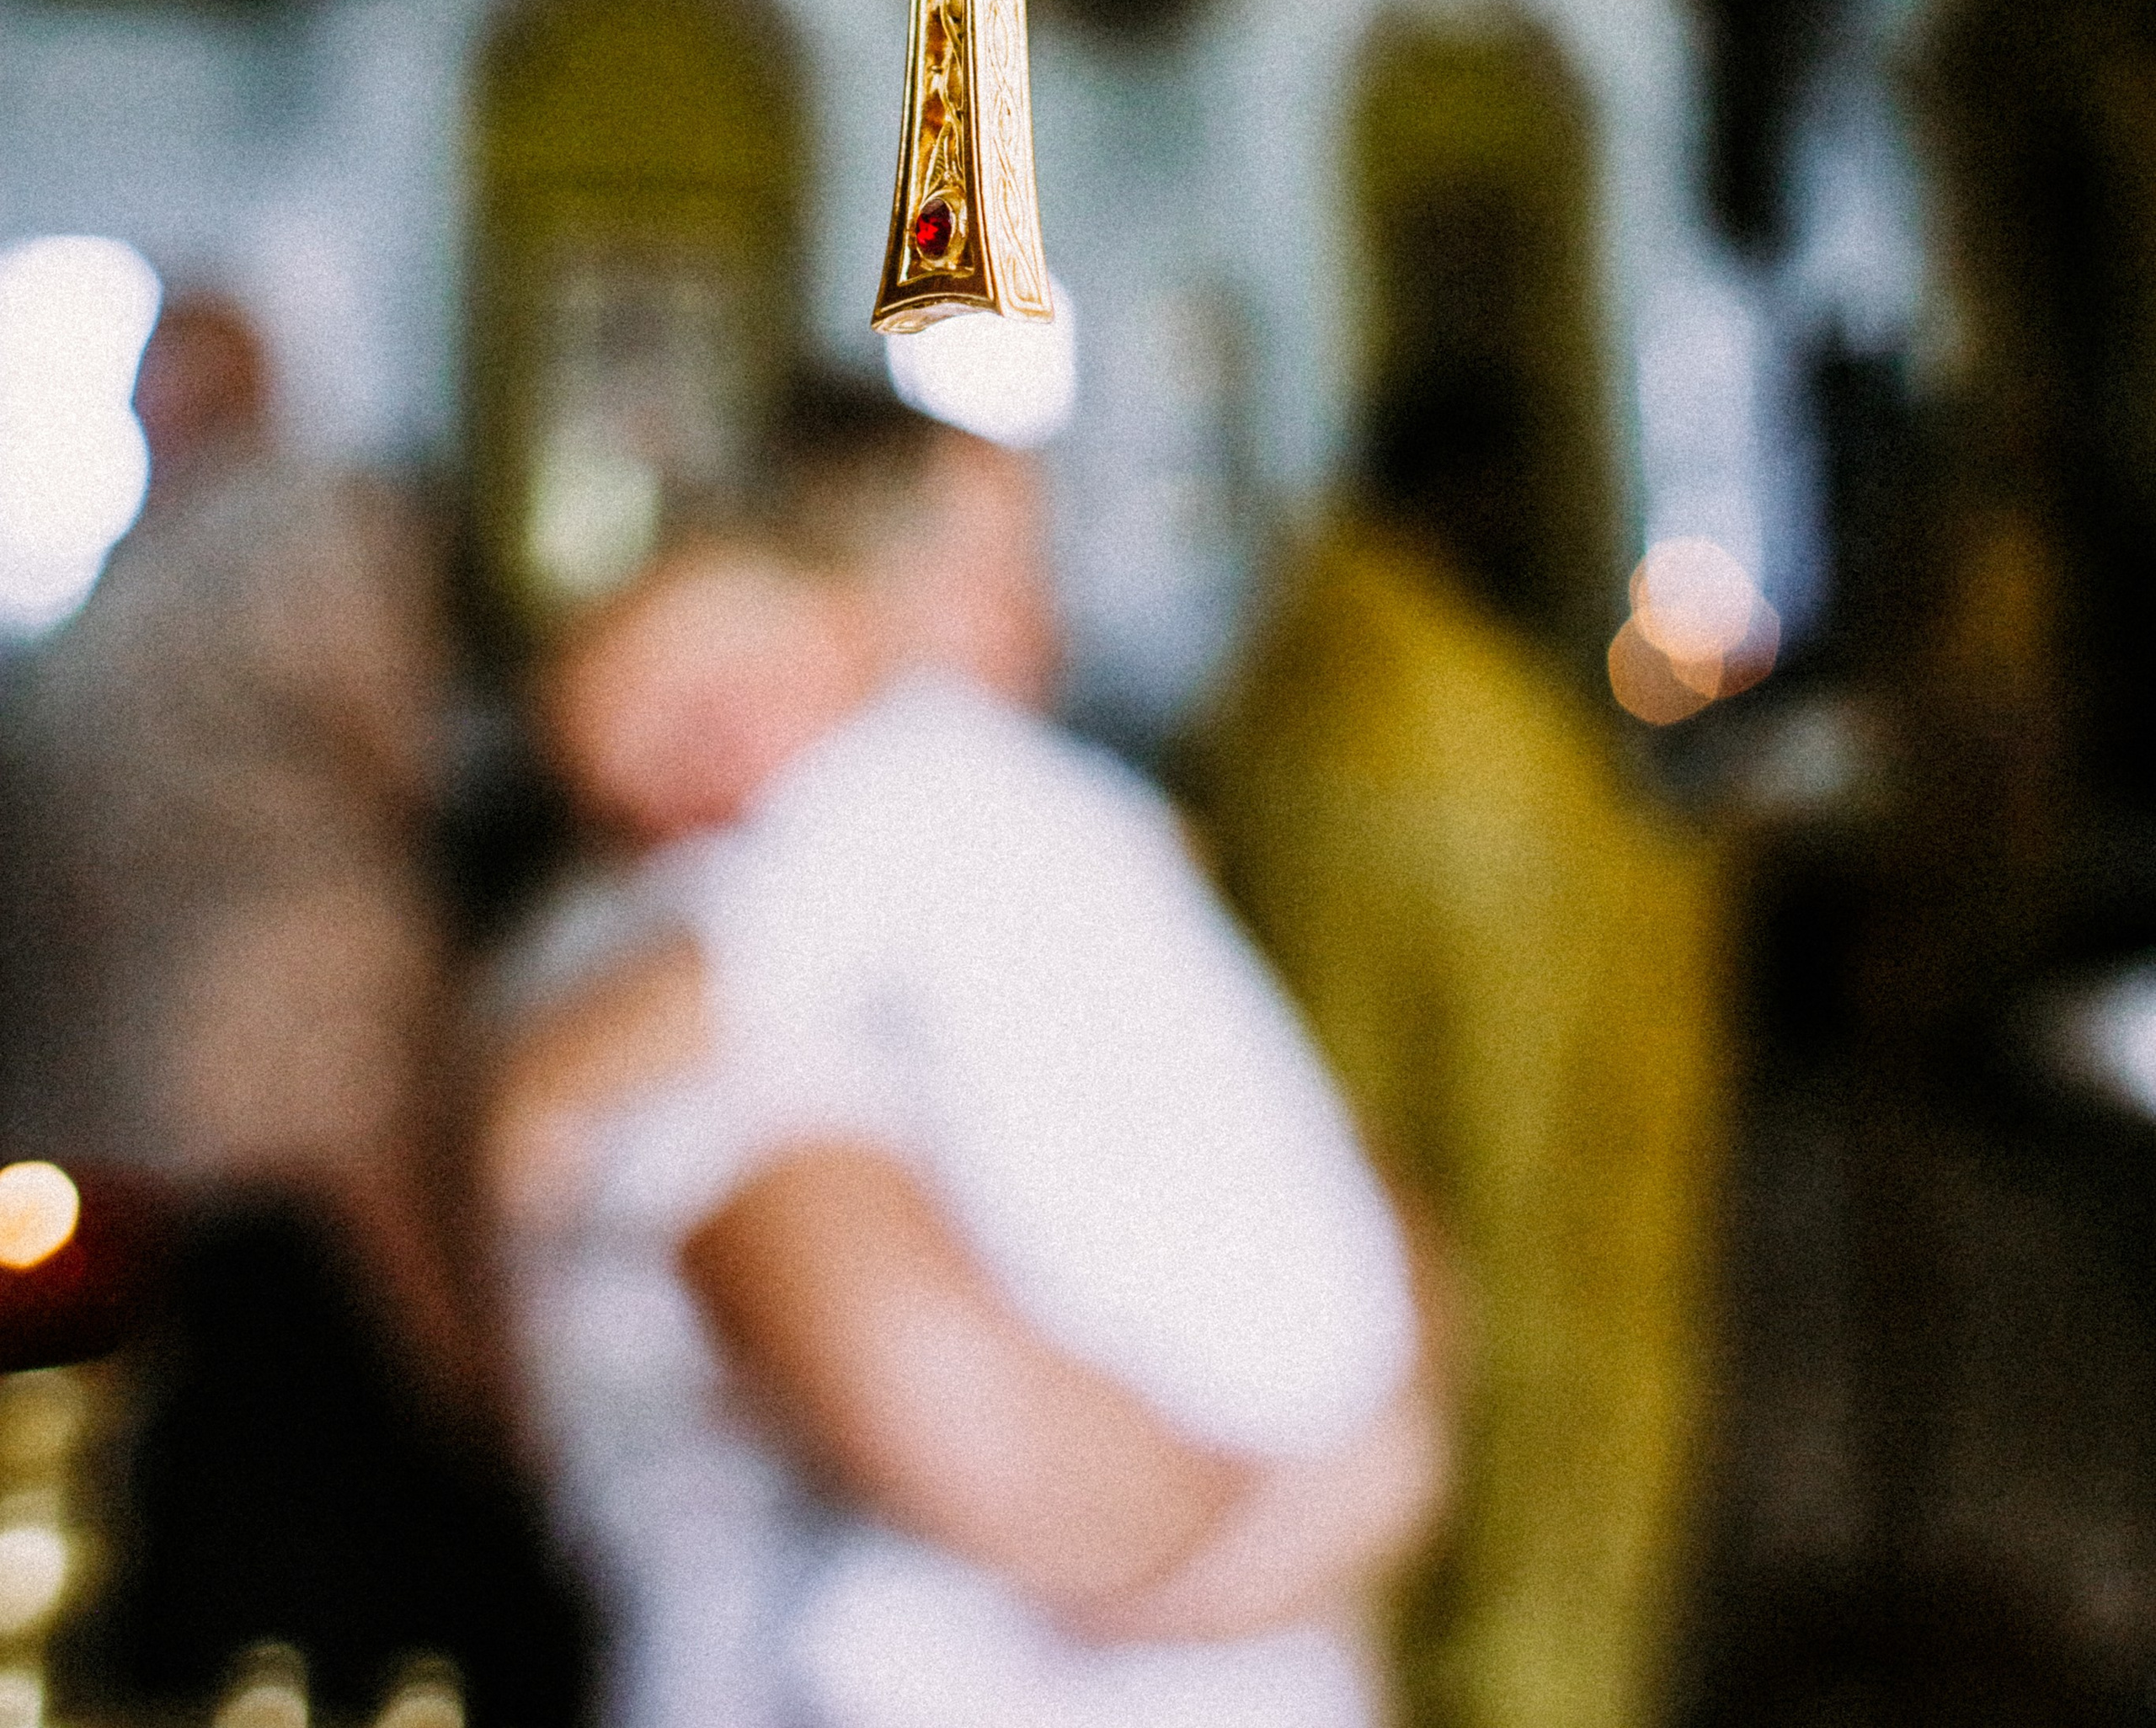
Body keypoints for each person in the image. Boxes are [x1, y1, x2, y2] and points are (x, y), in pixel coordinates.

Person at [487, 376, 1444, 1728]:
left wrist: (1369, 1438)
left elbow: (1317, 1172)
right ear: (816, 591)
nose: (1037, 627)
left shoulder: (995, 853)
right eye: (977, 574)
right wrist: (1303, 1513)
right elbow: (980, 1435)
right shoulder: (710, 920)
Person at [0, 290, 589, 1721]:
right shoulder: (202, 555)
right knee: (323, 1397)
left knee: (322, 1386)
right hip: (272, 1052)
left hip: (238, 1052)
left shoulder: (233, 546)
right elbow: (408, 758)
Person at [1198, 352, 1732, 1728]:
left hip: (1309, 1244)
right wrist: (1705, 875)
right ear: (1482, 495)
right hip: (1472, 1240)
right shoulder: (1461, 729)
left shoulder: (1290, 669)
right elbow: (1574, 988)